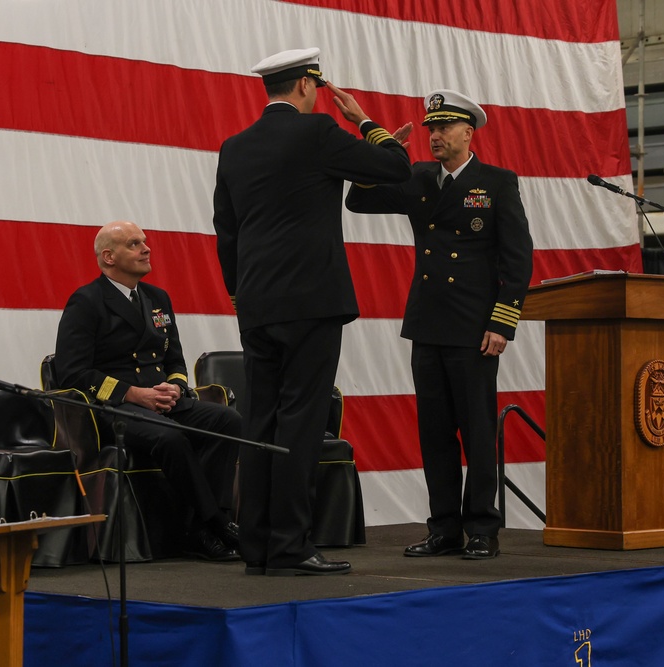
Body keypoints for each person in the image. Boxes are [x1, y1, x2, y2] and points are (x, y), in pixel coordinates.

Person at [212, 47, 411, 576]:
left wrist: (240, 294)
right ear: (306, 85)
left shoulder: (234, 148)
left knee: (260, 423)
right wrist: (365, 121)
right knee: (301, 423)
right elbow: (396, 167)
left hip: (255, 304)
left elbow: (226, 232)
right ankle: (292, 546)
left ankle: (256, 546)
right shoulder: (319, 133)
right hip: (311, 302)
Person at [346, 90, 534, 560]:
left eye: (445, 128)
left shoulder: (496, 182)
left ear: (469, 133)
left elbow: (518, 258)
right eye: (431, 129)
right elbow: (358, 201)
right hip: (428, 323)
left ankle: (482, 529)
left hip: (474, 327)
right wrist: (379, 148)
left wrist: (502, 322)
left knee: (476, 430)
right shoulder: (419, 177)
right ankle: (445, 527)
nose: (435, 136)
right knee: (434, 434)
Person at [54, 221, 242, 562]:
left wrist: (177, 387)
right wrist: (134, 395)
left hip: (160, 399)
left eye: (144, 241)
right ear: (108, 257)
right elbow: (72, 373)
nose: (146, 248)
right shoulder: (86, 301)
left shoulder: (157, 298)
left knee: (227, 421)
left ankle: (200, 528)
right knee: (170, 437)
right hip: (114, 407)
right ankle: (216, 522)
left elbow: (175, 357)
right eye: (134, 243)